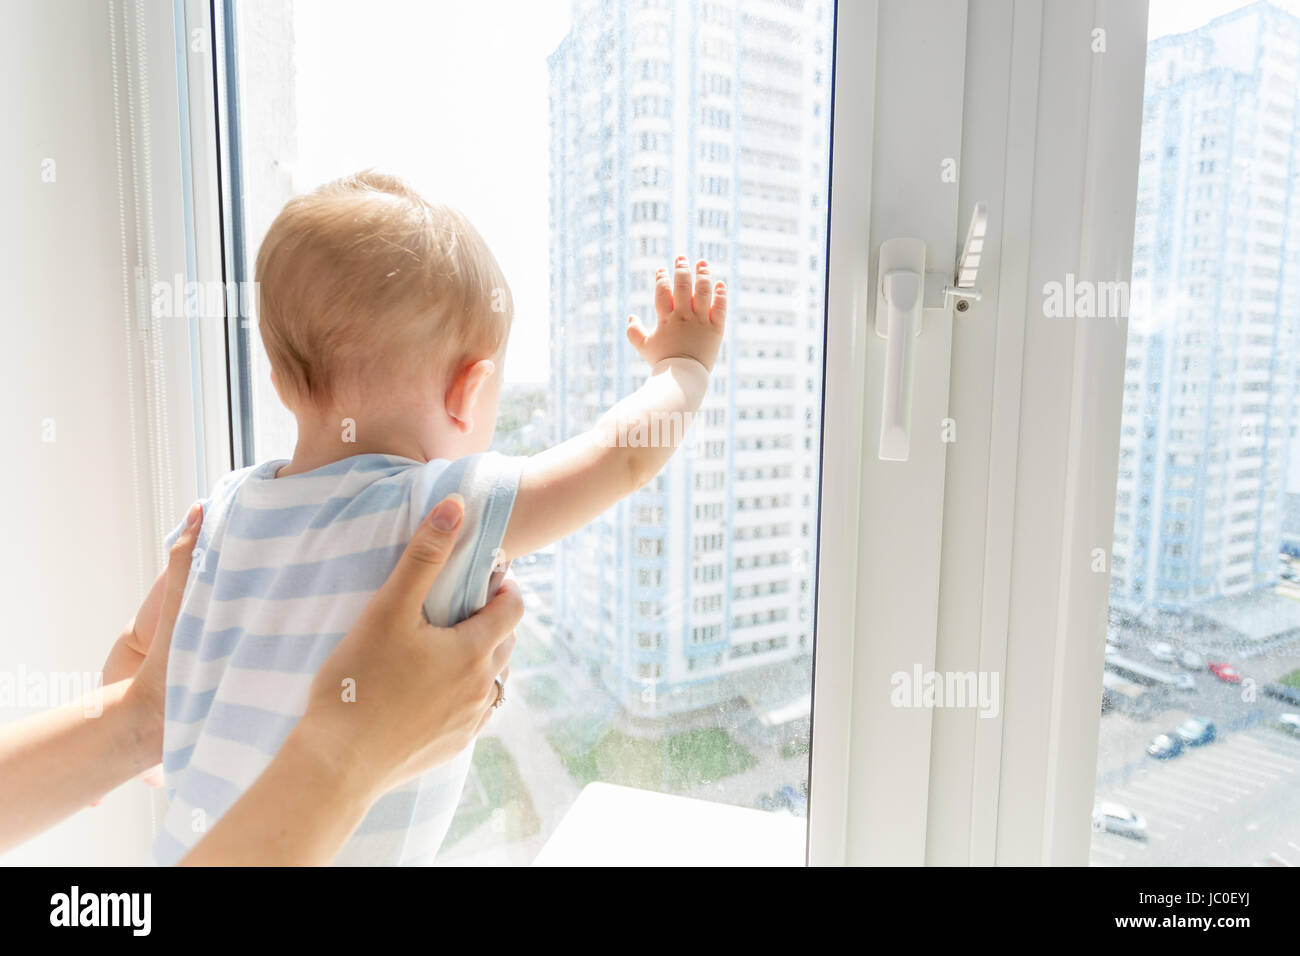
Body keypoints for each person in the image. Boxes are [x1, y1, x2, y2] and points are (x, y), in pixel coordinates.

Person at [127, 170, 727, 865]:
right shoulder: (435, 509)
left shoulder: (221, 514)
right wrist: (684, 367)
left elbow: (138, 665)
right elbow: (619, 460)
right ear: (467, 392)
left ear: (279, 381)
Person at [0, 494, 523, 865]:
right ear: (464, 394)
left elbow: (136, 648)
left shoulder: (235, 510)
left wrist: (149, 715)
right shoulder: (427, 502)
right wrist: (351, 755)